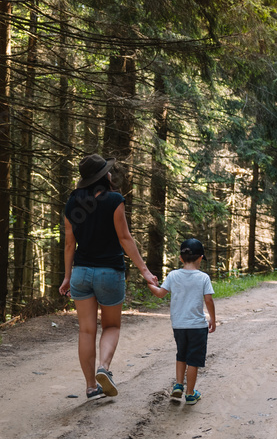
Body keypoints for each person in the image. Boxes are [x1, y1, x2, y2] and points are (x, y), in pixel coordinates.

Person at [59, 154, 158, 400]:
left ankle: (91, 387)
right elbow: (125, 238)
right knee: (111, 326)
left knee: (86, 331)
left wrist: (67, 277)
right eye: (108, 171)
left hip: (81, 273)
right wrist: (145, 271)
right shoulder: (114, 200)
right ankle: (104, 367)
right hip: (109, 273)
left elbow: (69, 245)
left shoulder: (72, 202)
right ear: (104, 176)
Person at [146, 238, 216, 405]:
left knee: (181, 355)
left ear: (180, 258)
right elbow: (208, 300)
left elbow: (160, 293)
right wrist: (213, 319)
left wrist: (151, 283)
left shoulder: (173, 275)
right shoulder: (203, 277)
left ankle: (178, 385)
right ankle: (190, 394)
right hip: (197, 326)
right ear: (200, 258)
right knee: (194, 360)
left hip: (178, 325)